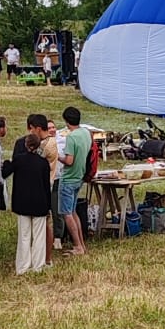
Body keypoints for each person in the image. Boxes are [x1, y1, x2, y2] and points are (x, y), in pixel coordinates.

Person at [7, 114, 54, 273]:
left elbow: (7, 171)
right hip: (40, 202)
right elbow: (46, 185)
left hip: (22, 202)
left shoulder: (19, 160)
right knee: (39, 236)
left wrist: (5, 163)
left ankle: (22, 266)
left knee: (24, 235)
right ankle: (38, 265)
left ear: (26, 145)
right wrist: (48, 205)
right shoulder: (43, 163)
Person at [58, 105, 91, 258]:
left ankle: (77, 246)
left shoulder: (71, 137)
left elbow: (69, 161)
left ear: (66, 121)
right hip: (79, 177)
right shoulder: (85, 133)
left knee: (67, 214)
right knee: (73, 211)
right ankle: (81, 244)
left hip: (68, 178)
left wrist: (58, 156)